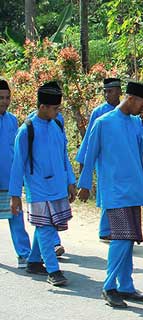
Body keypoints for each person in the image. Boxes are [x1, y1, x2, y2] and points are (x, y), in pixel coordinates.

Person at [78, 81, 143, 308]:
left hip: (133, 190)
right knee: (120, 238)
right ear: (130, 98)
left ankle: (125, 285)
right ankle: (109, 286)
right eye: (142, 104)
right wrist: (84, 184)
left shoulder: (136, 123)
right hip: (114, 191)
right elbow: (90, 154)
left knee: (128, 240)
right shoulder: (103, 122)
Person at [9, 82, 76, 286]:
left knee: (47, 225)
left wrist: (70, 181)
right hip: (38, 189)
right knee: (45, 227)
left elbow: (64, 156)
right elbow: (17, 165)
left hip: (58, 186)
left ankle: (34, 261)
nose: (57, 112)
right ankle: (53, 270)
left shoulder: (57, 126)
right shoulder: (26, 131)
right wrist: (14, 196)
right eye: (54, 108)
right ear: (42, 107)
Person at [75, 77, 122, 242]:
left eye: (111, 91)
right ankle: (105, 230)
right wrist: (83, 168)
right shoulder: (99, 112)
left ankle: (116, 228)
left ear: (119, 91)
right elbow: (89, 140)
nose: (107, 95)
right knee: (107, 191)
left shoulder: (127, 111)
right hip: (104, 159)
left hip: (122, 160)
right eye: (105, 92)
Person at [0, 78, 32, 268]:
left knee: (16, 218)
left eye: (7, 97)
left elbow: (18, 151)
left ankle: (24, 255)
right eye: (1, 98)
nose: (4, 101)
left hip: (10, 180)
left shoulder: (12, 120)